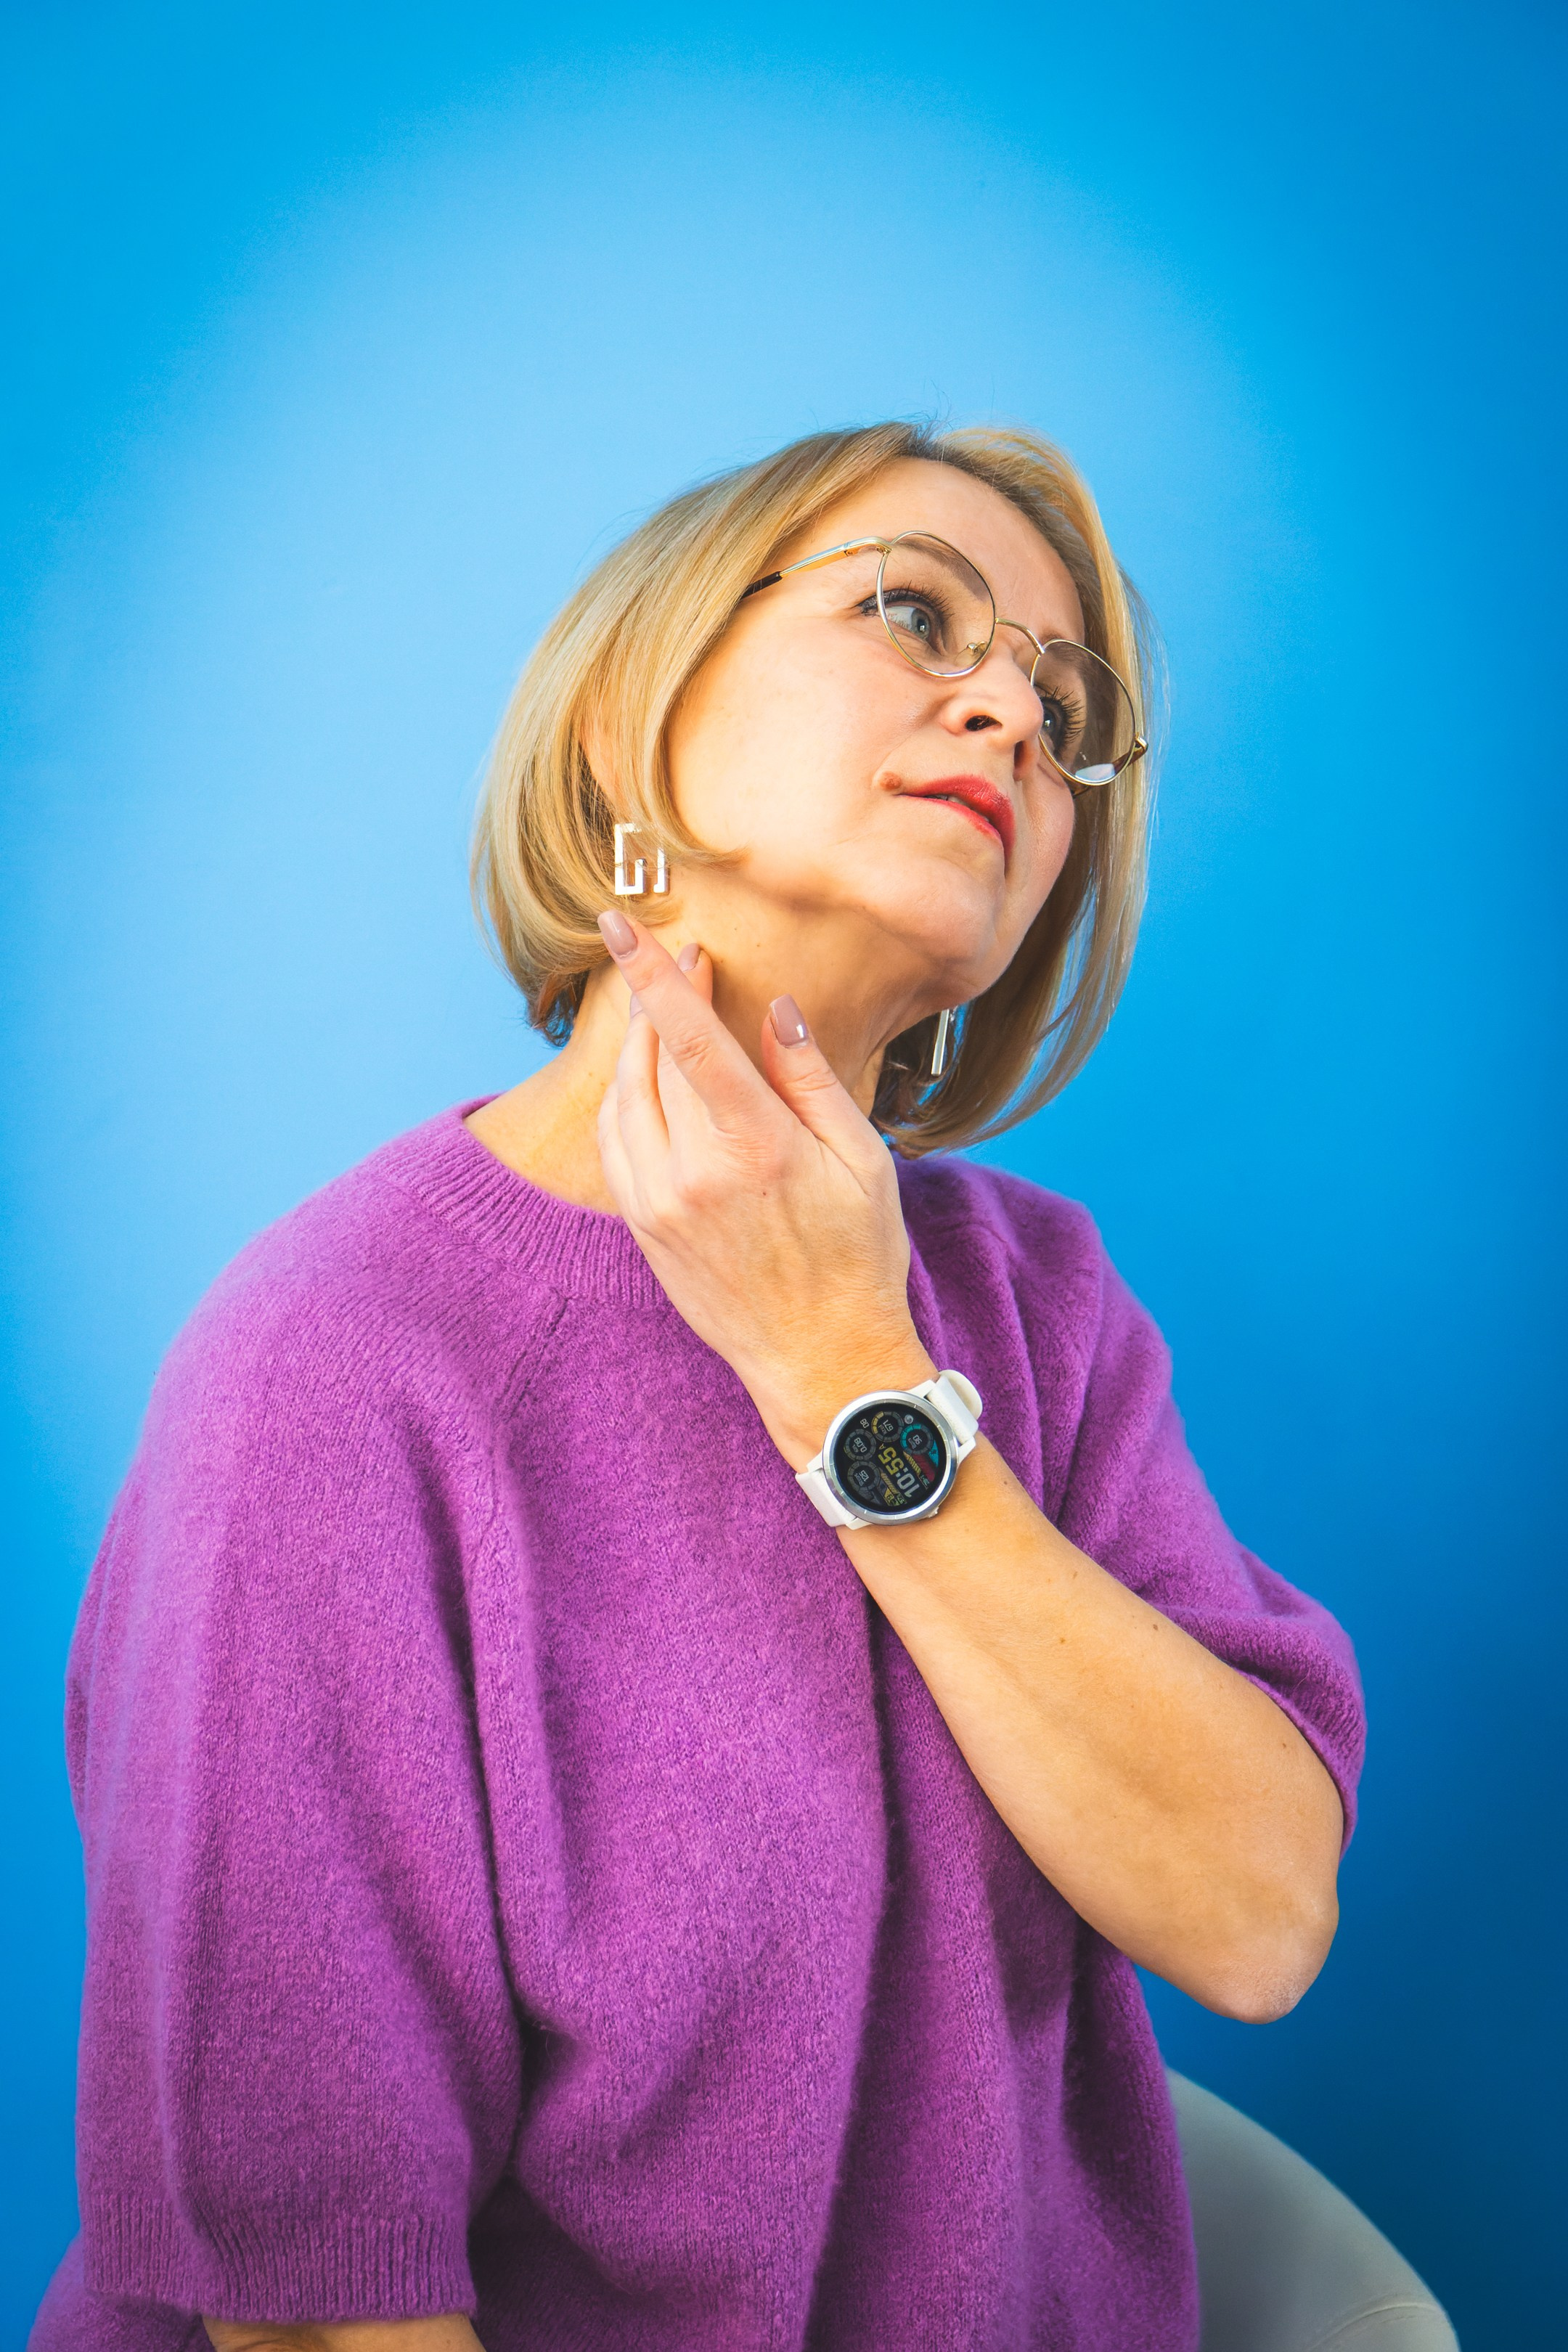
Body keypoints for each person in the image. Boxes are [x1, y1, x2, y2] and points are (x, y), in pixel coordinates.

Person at [31, 422, 1365, 2352]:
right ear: (628, 731)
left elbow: (1257, 1915)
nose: (1008, 709)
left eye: (1064, 710)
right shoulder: (333, 1362)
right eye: (917, 612)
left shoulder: (1044, 1306)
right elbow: (323, 2313)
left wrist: (848, 1375)